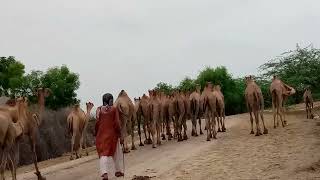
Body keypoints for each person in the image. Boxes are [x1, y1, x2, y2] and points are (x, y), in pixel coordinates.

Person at [95, 93, 124, 180]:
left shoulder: (98, 110)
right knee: (116, 152)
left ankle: (104, 173)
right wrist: (120, 134)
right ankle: (118, 170)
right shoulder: (114, 110)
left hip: (100, 135)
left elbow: (96, 123)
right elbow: (117, 123)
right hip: (112, 135)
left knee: (103, 154)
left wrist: (96, 133)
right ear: (110, 100)